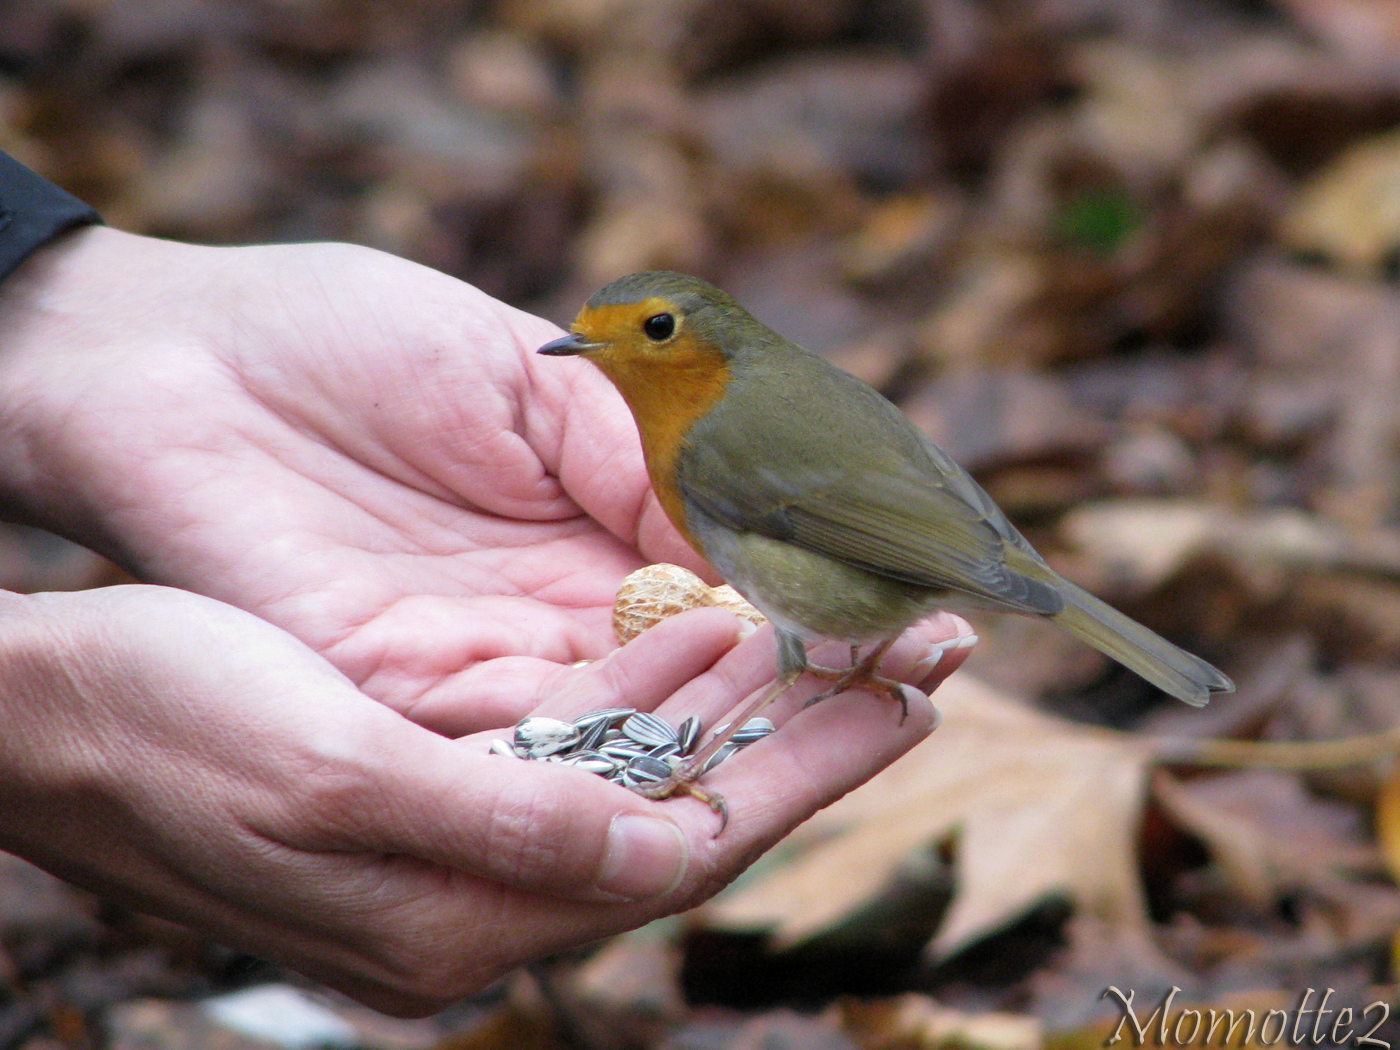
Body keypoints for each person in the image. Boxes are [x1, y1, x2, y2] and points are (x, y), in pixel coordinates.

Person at [0, 154, 973, 1016]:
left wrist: (63, 306)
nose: (586, 348)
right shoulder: (705, 427)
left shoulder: (724, 423)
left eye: (646, 330)